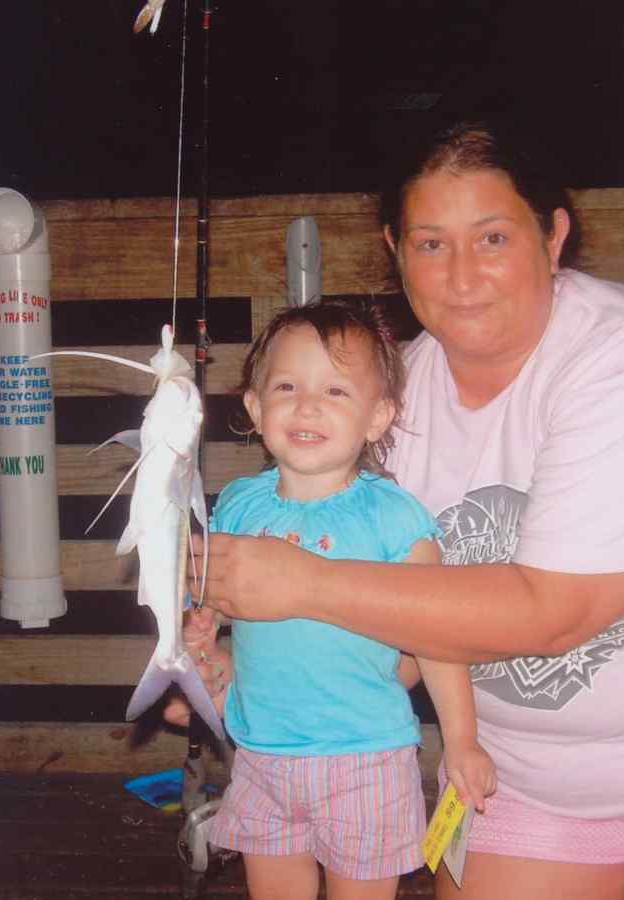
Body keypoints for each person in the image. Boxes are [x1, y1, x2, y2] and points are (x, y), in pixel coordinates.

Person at [180, 122, 624, 900]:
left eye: (492, 238)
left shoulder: (608, 360)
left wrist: (300, 582)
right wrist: (237, 672)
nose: (461, 275)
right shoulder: (389, 402)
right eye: (430, 244)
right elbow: (395, 628)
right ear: (395, 249)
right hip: (494, 777)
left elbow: (559, 612)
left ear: (552, 236)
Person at [174, 300, 496, 900]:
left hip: (366, 761)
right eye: (287, 386)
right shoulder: (238, 504)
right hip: (260, 754)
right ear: (255, 407)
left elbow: (437, 637)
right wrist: (201, 631)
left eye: (336, 391)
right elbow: (214, 598)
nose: (307, 405)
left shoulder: (396, 516)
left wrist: (461, 741)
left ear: (378, 417)